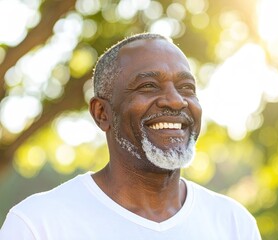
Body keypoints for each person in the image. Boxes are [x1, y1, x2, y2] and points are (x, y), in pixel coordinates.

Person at [0, 33, 261, 239]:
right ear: (102, 113)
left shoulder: (233, 224)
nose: (175, 100)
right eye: (149, 86)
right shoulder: (39, 224)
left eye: (186, 87)